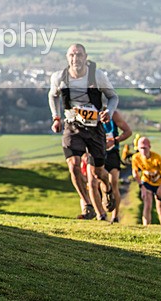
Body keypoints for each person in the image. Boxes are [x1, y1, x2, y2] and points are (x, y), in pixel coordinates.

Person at [49, 44, 119, 220]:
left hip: (95, 128)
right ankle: (87, 204)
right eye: (72, 55)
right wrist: (56, 117)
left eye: (79, 55)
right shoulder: (59, 77)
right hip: (72, 125)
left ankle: (108, 187)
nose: (75, 58)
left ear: (85, 57)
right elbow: (53, 95)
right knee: (73, 165)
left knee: (97, 173)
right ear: (67, 58)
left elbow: (113, 97)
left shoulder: (97, 76)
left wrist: (108, 113)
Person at [132, 137, 161, 226]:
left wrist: (160, 189)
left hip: (160, 182)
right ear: (138, 148)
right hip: (147, 182)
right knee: (147, 202)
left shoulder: (157, 159)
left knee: (160, 208)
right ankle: (146, 227)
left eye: (145, 148)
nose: (143, 151)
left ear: (149, 147)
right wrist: (141, 186)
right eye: (141, 148)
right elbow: (135, 173)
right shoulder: (136, 158)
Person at [102, 110, 132, 223]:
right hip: (99, 151)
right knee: (102, 180)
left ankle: (115, 216)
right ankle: (103, 211)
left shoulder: (113, 114)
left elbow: (128, 132)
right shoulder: (91, 112)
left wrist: (114, 141)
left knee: (114, 181)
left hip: (113, 152)